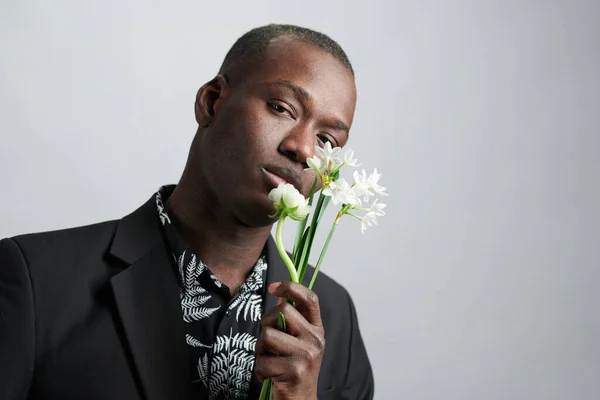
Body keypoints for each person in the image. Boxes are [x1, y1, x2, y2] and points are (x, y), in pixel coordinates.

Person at [0, 24, 374, 400]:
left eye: (327, 140)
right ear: (212, 101)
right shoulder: (36, 280)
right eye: (281, 108)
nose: (305, 149)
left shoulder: (334, 317)